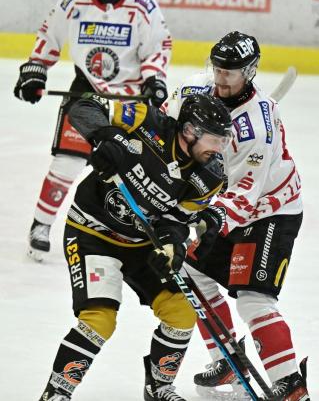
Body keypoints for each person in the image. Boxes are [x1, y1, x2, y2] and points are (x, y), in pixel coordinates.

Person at [38, 91, 231, 401]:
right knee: (100, 318)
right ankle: (56, 393)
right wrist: (107, 137)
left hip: (141, 244)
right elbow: (84, 106)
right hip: (92, 231)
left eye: (224, 139)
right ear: (190, 131)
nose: (220, 147)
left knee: (182, 310)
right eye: (214, 138)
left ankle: (159, 387)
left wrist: (171, 245)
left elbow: (176, 221)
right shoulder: (146, 121)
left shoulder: (208, 178)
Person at [162, 31, 308, 400]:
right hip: (228, 205)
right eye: (219, 68)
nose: (222, 77)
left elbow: (245, 194)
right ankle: (227, 358)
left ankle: (291, 384)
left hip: (270, 211)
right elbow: (165, 125)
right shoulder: (199, 91)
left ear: (251, 71)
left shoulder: (255, 128)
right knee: (190, 272)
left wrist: (206, 221)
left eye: (232, 71)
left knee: (253, 299)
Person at [13, 0, 171, 262]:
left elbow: (158, 46)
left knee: (133, 169)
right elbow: (49, 35)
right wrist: (36, 70)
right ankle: (41, 226)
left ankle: (128, 231)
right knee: (67, 164)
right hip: (87, 94)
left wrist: (154, 79)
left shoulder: (143, 5)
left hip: (130, 100)